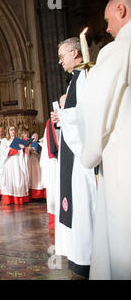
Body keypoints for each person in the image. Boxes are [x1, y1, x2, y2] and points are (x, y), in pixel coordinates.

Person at [77, 0, 131, 280]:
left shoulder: (118, 49)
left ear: (122, 12)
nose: (107, 28)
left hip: (125, 159)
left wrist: (89, 155)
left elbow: (96, 107)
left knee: (124, 241)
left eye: (108, 20)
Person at [51, 37, 97, 279]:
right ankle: (80, 258)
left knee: (85, 205)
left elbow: (88, 117)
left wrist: (64, 117)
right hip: (74, 154)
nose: (59, 61)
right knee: (78, 206)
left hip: (83, 158)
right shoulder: (75, 81)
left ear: (76, 53)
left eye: (62, 56)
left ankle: (87, 260)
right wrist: (63, 117)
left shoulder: (86, 77)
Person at [0, 126, 29, 205]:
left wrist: (23, 148)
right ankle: (9, 200)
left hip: (18, 162)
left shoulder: (19, 140)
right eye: (11, 130)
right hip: (9, 163)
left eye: (14, 130)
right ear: (8, 131)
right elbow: (4, 153)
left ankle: (18, 199)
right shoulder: (5, 141)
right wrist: (17, 148)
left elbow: (23, 153)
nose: (13, 131)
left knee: (18, 180)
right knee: (10, 180)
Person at [28, 132, 44, 200]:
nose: (35, 137)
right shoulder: (28, 143)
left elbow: (39, 152)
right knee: (32, 177)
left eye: (37, 136)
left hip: (38, 161)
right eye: (34, 136)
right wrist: (31, 149)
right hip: (31, 161)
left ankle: (38, 195)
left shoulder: (40, 143)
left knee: (38, 177)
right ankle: (32, 196)